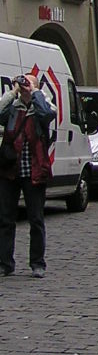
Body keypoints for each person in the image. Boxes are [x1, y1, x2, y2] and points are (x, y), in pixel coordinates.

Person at [0, 74, 55, 278]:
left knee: (36, 219)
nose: (24, 86)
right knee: (5, 219)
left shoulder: (43, 105)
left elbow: (46, 115)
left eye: (28, 83)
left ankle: (37, 263)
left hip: (34, 171)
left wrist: (35, 91)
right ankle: (5, 263)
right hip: (10, 170)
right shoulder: (13, 108)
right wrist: (13, 92)